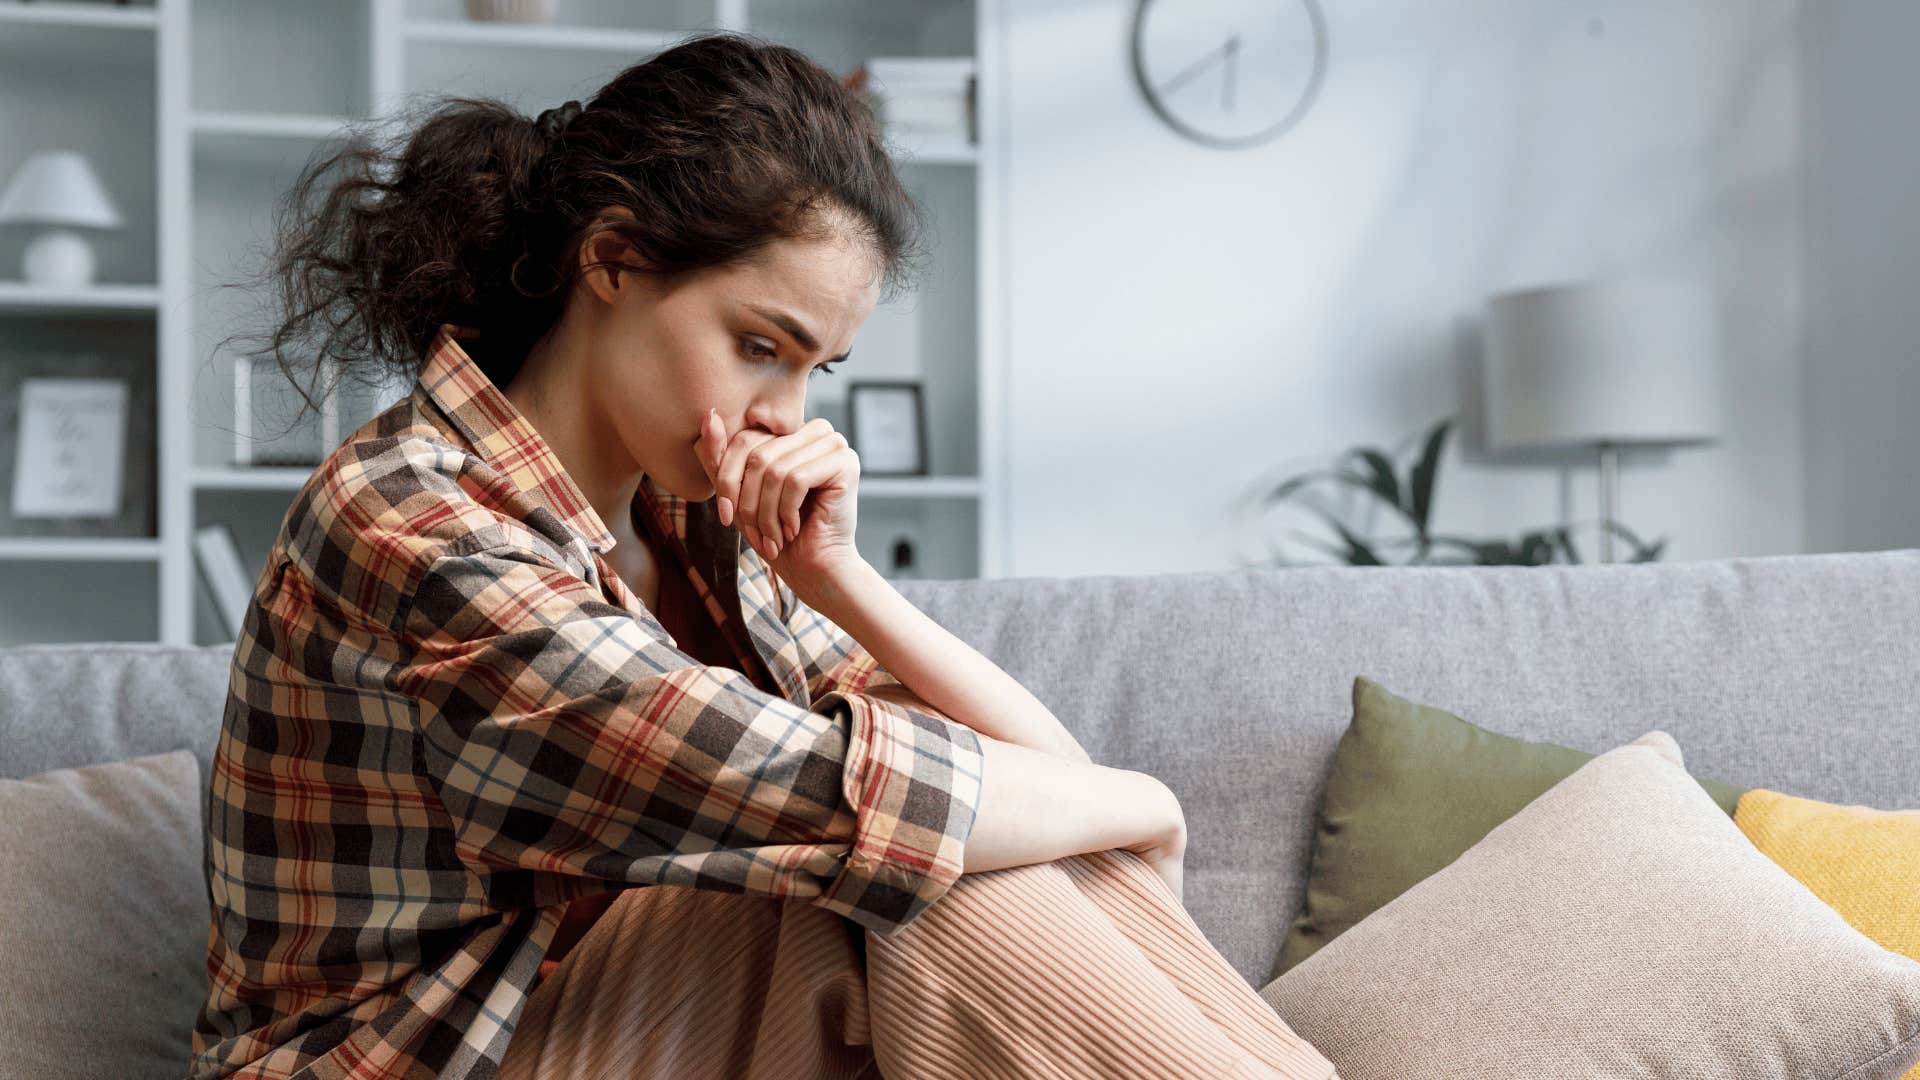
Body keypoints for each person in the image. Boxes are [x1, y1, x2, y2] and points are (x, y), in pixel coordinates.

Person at [187, 31, 1336, 1080]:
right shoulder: (411, 519)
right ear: (613, 260)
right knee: (909, 875)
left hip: (618, 1023)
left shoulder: (696, 523)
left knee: (939, 858)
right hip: (426, 1061)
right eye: (757, 347)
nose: (785, 416)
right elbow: (859, 806)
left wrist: (840, 579)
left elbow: (1031, 795)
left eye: (814, 370)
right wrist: (1144, 801)